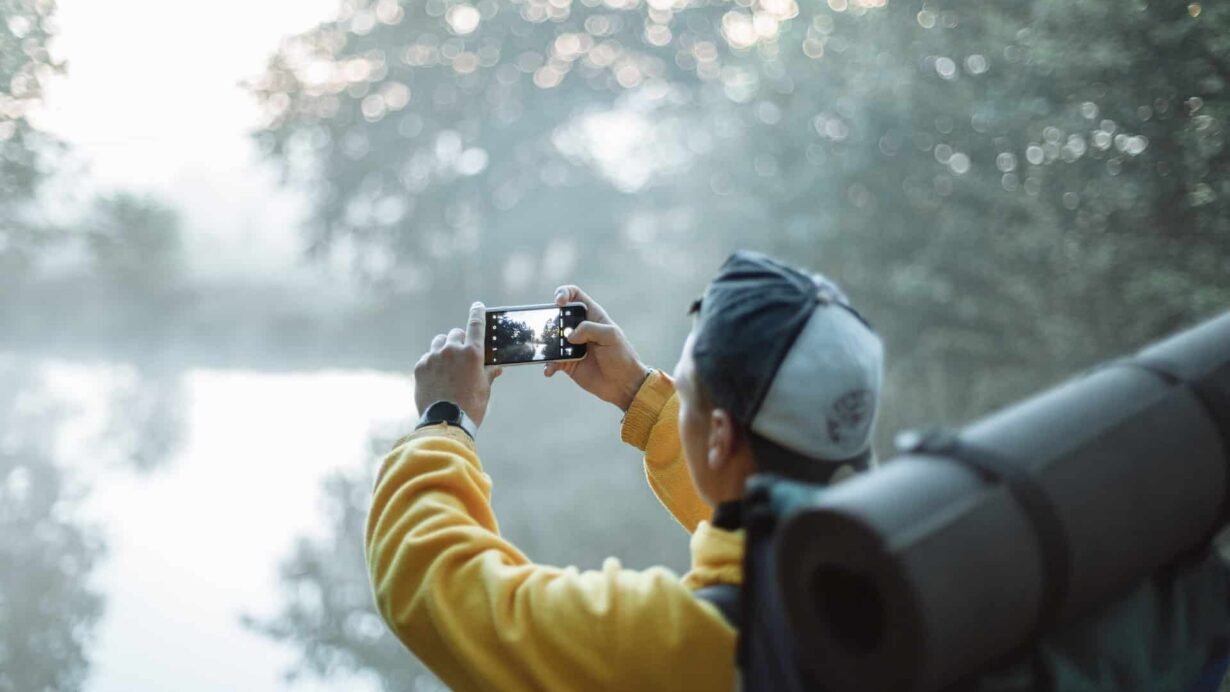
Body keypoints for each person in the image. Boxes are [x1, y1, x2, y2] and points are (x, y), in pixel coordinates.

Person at [364, 250, 884, 690]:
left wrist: (444, 420)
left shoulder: (688, 641)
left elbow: (439, 589)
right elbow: (753, 507)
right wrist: (638, 393)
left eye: (685, 386)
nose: (678, 395)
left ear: (722, 436)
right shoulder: (891, 554)